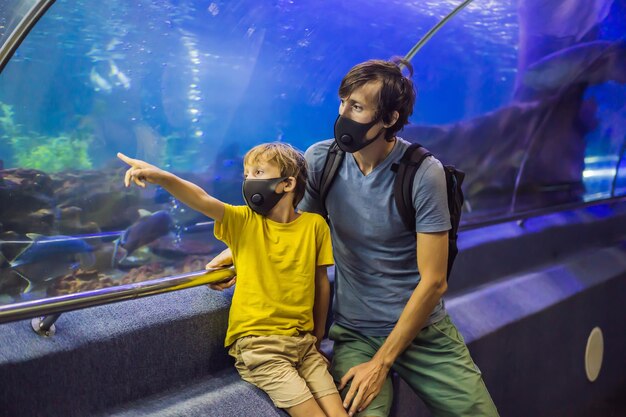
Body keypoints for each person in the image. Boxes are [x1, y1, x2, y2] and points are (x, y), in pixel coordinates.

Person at [209, 58, 500, 417]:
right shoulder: (321, 160)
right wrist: (241, 250)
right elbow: (297, 232)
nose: (343, 114)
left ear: (390, 118)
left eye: (357, 107)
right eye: (343, 101)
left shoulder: (423, 173)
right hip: (356, 333)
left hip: (424, 333)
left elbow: (434, 282)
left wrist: (381, 364)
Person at [117, 143, 349, 417]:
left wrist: (318, 337)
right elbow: (201, 198)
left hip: (304, 344)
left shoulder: (314, 226)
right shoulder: (244, 221)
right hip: (260, 346)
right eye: (246, 174)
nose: (249, 180)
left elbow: (321, 285)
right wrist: (164, 177)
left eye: (258, 172)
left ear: (287, 184)